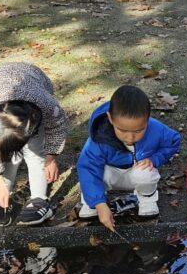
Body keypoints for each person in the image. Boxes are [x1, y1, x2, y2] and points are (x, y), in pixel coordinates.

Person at [0, 62, 67, 227]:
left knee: (36, 151)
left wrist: (51, 157)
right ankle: (3, 196)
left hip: (32, 81)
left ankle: (39, 199)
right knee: (8, 158)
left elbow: (56, 125)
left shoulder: (44, 103)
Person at [77, 85, 181, 231]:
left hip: (136, 173)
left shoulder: (156, 129)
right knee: (96, 173)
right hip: (111, 174)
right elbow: (88, 169)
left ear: (147, 120)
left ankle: (147, 199)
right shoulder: (99, 138)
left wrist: (155, 159)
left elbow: (174, 141)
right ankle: (92, 202)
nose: (130, 137)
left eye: (139, 130)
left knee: (146, 173)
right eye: (123, 130)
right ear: (110, 118)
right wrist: (100, 204)